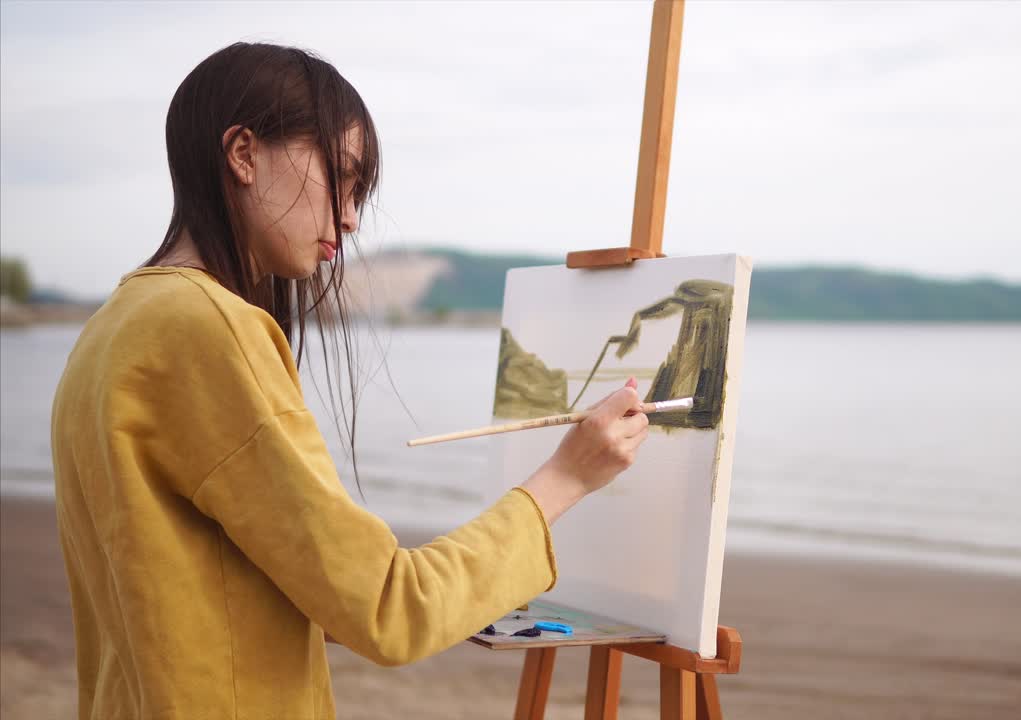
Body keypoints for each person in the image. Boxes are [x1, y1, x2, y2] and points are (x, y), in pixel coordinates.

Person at [50, 42, 649, 719]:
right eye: (342, 174)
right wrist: (567, 476)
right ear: (243, 154)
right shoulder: (206, 330)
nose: (352, 217)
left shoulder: (113, 327)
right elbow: (391, 609)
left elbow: (219, 582)